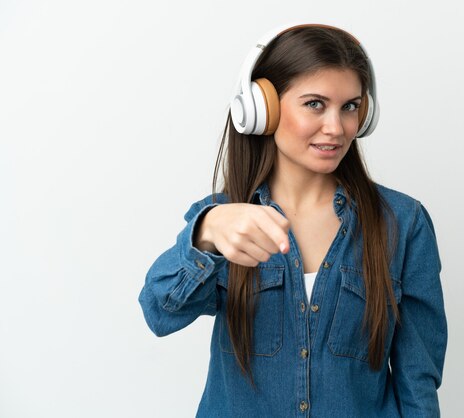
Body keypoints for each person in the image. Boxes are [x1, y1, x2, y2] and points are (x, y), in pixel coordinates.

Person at [138, 22, 447, 418]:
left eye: (350, 106)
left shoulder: (403, 223)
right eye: (315, 104)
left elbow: (417, 379)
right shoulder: (225, 219)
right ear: (262, 109)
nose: (336, 128)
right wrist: (206, 233)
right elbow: (158, 313)